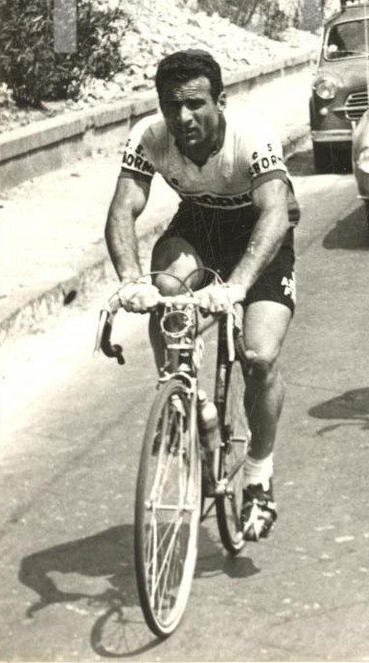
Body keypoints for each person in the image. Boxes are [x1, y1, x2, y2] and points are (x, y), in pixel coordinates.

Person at [104, 50, 297, 542]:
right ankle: (183, 397)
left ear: (221, 101)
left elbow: (275, 213)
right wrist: (130, 282)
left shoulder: (251, 136)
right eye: (172, 106)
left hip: (259, 236)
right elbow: (123, 208)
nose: (183, 118)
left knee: (258, 355)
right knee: (164, 294)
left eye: (195, 105)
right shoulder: (149, 136)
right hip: (200, 226)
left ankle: (257, 473)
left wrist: (235, 287)